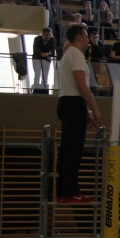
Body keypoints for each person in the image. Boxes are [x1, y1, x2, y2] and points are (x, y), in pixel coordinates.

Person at [54, 24, 102, 204]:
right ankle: (70, 191)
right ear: (79, 37)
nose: (88, 39)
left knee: (66, 148)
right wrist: (95, 109)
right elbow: (81, 85)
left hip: (67, 102)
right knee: (74, 149)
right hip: (73, 103)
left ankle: (62, 191)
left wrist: (86, 110)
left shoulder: (69, 54)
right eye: (86, 35)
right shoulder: (76, 54)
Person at [31, 27, 56, 94]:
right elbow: (36, 50)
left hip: (46, 60)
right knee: (37, 74)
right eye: (46, 35)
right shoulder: (37, 39)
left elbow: (53, 52)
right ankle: (36, 89)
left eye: (49, 35)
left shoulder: (52, 40)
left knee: (45, 75)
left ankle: (44, 89)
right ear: (42, 34)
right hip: (37, 59)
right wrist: (41, 54)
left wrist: (47, 54)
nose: (48, 37)